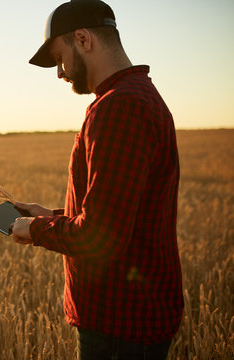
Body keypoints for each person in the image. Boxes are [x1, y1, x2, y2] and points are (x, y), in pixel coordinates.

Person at [11, 1, 184, 359]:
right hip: (133, 320)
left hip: (119, 325)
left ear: (83, 39)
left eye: (60, 58)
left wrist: (36, 230)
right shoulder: (137, 96)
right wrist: (53, 215)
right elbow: (121, 212)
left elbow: (100, 237)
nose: (59, 72)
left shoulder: (119, 108)